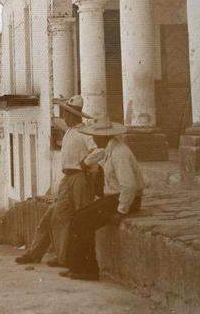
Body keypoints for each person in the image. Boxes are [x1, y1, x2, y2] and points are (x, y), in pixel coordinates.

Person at [15, 95, 96, 266]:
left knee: (77, 218)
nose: (64, 116)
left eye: (66, 113)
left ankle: (68, 258)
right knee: (51, 216)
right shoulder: (69, 131)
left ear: (73, 115)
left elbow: (97, 151)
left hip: (79, 178)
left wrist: (86, 164)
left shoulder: (85, 132)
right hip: (67, 178)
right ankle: (36, 254)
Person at [60, 115, 144, 281]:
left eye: (95, 136)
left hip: (126, 199)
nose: (93, 140)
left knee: (83, 221)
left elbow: (129, 185)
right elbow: (93, 159)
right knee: (78, 217)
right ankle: (78, 266)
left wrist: (121, 211)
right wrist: (84, 164)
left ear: (104, 136)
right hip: (114, 197)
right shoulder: (108, 149)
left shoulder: (119, 153)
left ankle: (88, 270)